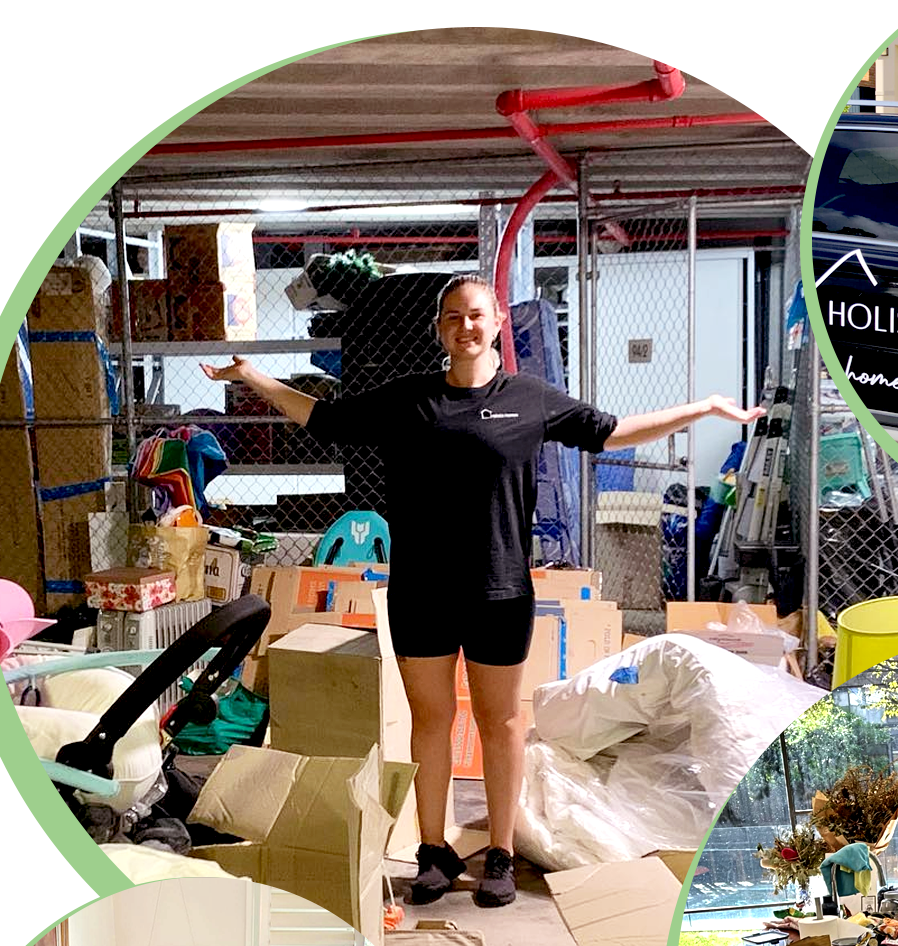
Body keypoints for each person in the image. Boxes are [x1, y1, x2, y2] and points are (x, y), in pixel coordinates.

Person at [203, 274, 763, 908]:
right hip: (422, 593)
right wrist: (253, 376)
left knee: (501, 723)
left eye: (475, 315)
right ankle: (433, 850)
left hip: (500, 593)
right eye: (452, 317)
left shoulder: (530, 399)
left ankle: (500, 851)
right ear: (439, 330)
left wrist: (703, 409)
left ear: (496, 323)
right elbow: (324, 419)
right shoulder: (410, 400)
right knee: (430, 722)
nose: (464, 326)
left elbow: (613, 431)